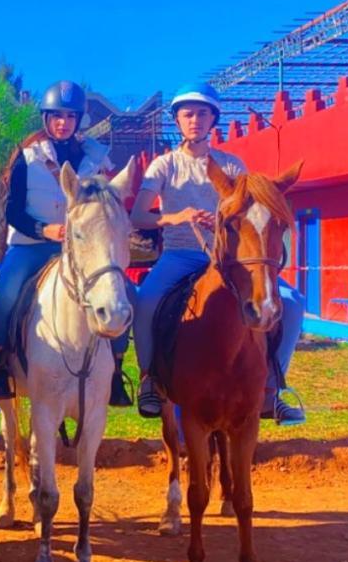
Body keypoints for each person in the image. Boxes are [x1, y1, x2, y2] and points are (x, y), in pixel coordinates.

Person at [130, 82, 305, 425]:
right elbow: (138, 215)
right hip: (179, 254)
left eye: (202, 114)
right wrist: (177, 216)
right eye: (188, 114)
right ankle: (149, 379)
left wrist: (225, 221)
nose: (195, 120)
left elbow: (250, 208)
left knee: (294, 303)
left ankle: (274, 388)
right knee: (146, 301)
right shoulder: (164, 166)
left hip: (227, 259)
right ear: (177, 121)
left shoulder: (232, 164)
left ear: (214, 119)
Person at [0, 80, 133, 406]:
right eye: (56, 116)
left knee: (125, 293)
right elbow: (12, 211)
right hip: (32, 245)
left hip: (85, 249)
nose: (62, 123)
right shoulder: (28, 156)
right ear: (45, 118)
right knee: (5, 291)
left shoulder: (98, 158)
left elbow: (110, 205)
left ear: (79, 120)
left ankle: (117, 370)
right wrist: (44, 229)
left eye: (69, 116)